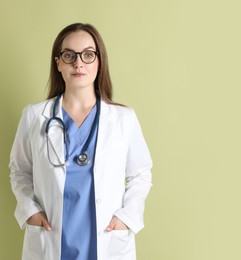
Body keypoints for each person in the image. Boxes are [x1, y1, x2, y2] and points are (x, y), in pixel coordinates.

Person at [9, 23, 153, 260]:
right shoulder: (34, 117)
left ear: (99, 61)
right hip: (52, 239)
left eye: (88, 55)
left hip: (106, 239)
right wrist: (29, 211)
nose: (78, 63)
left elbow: (141, 173)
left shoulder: (123, 119)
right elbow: (19, 171)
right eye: (69, 55)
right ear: (58, 63)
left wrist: (127, 218)